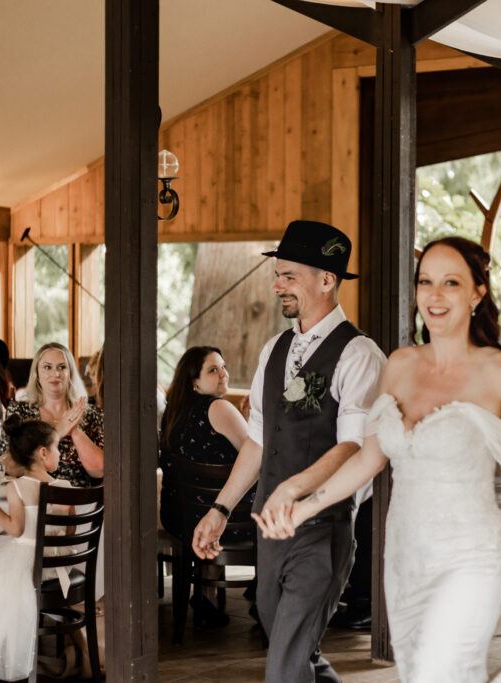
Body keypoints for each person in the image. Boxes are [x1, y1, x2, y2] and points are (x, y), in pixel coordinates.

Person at [253, 237, 501, 681]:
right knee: (417, 671)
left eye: (451, 282)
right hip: (406, 554)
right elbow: (368, 458)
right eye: (425, 281)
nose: (434, 294)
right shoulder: (399, 366)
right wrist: (303, 506)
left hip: (470, 556)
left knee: (441, 669)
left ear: (477, 293)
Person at [192, 220, 386, 683]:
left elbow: (353, 447)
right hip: (268, 529)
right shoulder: (273, 349)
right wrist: (221, 508)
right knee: (296, 654)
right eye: (277, 274)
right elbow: (258, 440)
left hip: (321, 531)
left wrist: (297, 489)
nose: (277, 285)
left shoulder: (360, 355)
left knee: (283, 667)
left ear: (326, 280)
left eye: (289, 275)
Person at [0, 414, 89, 680]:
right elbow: (69, 532)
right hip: (59, 565)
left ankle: (0, 648)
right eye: (58, 448)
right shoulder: (66, 486)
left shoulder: (18, 487)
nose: (60, 454)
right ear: (44, 453)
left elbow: (15, 530)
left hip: (28, 562)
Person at [159, 345, 251, 626]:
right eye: (213, 369)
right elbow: (256, 455)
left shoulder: (174, 412)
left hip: (178, 517)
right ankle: (265, 590)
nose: (223, 373)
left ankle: (207, 592)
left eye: (223, 366)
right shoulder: (219, 407)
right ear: (194, 382)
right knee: (276, 502)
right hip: (222, 523)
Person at [4, 343, 103, 487]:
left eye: (62, 367)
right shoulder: (20, 412)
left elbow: (100, 471)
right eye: (47, 367)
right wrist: (56, 433)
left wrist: (75, 431)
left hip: (79, 500)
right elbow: (10, 467)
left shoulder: (92, 414)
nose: (55, 374)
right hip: (31, 496)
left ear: (70, 373)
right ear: (36, 373)